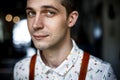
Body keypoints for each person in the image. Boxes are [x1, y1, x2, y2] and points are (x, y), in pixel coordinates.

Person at [13, 0, 117, 80]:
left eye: (50, 12)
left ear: (71, 19)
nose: (35, 25)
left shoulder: (100, 73)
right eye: (31, 13)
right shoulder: (21, 69)